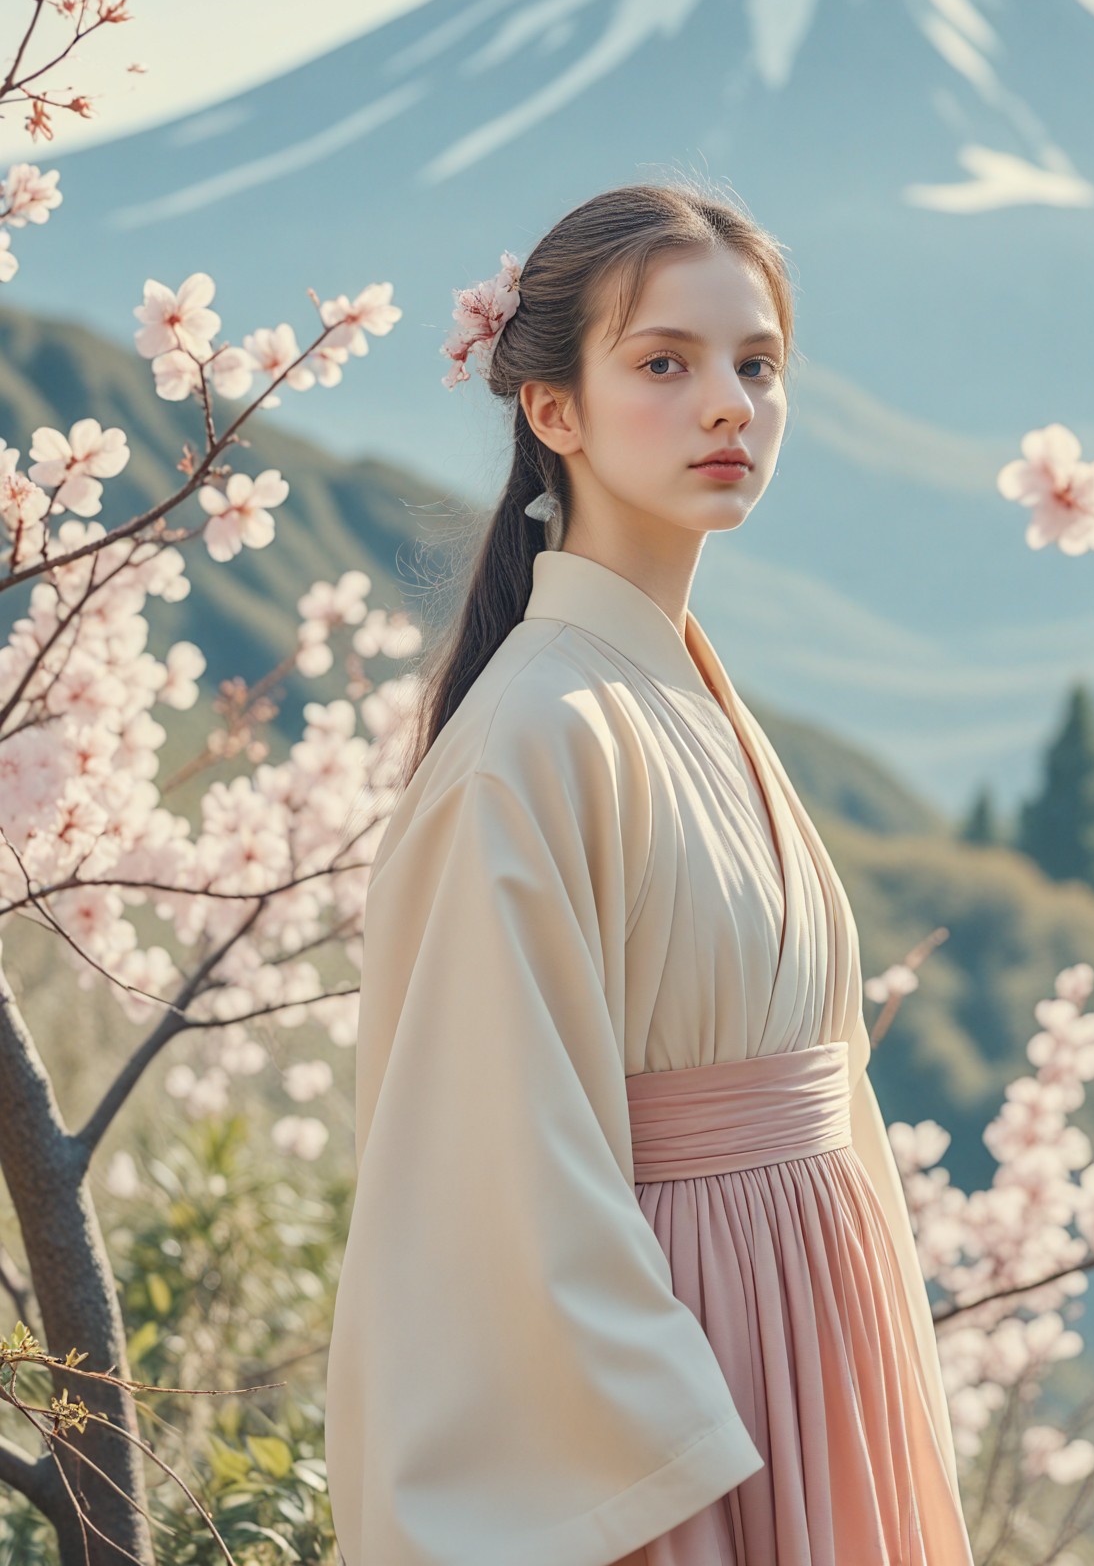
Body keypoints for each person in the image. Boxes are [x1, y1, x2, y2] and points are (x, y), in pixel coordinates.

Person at [323, 180, 975, 1565]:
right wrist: (671, 1453)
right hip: (683, 1381)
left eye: (757, 364)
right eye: (664, 365)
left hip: (811, 1329)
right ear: (552, 410)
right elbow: (490, 1179)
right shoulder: (532, 739)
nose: (730, 405)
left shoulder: (675, 693)